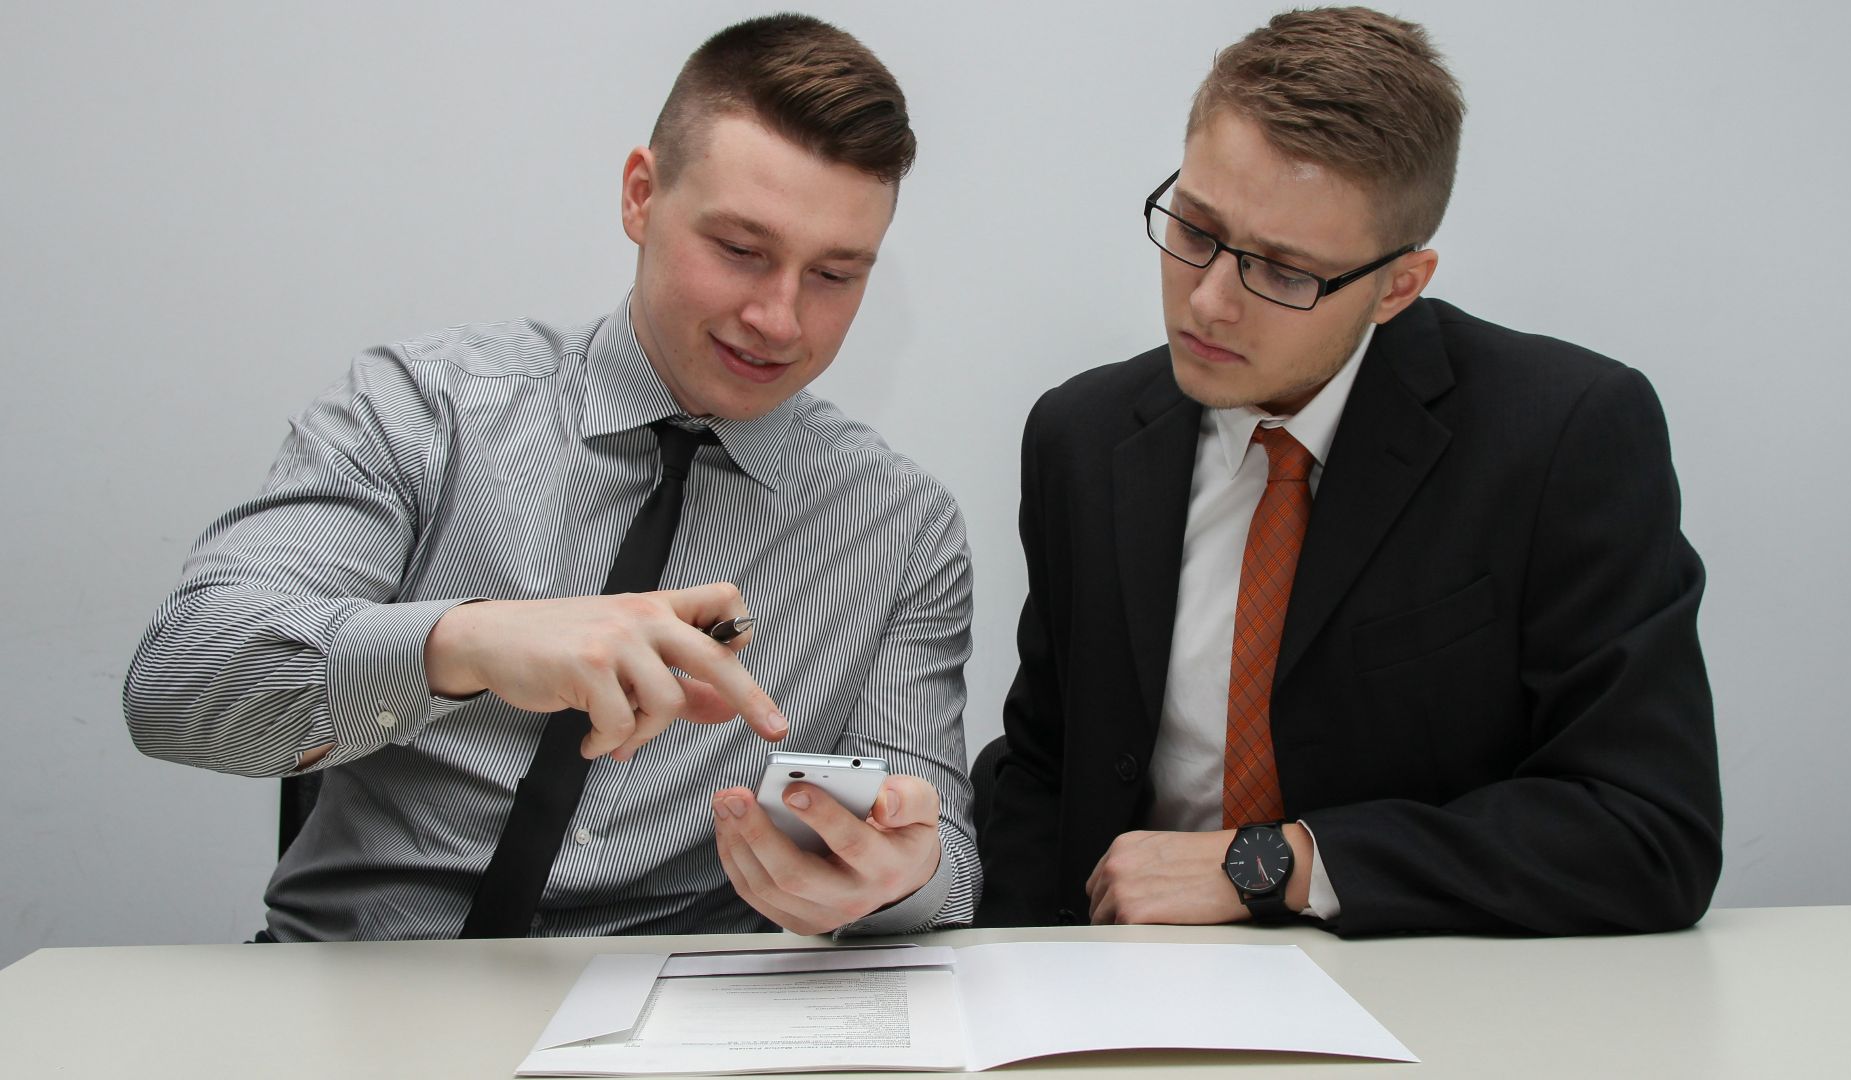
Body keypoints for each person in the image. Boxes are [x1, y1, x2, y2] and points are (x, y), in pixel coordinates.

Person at [125, 14, 978, 941]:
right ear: (641, 196)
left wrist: (898, 877)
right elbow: (178, 685)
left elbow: (942, 857)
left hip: (677, 1019)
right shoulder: (425, 409)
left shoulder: (900, 526)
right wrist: (465, 645)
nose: (779, 318)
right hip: (360, 988)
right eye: (740, 250)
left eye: (835, 274)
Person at [978, 6, 1720, 935]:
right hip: (1127, 988)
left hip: (1424, 1000)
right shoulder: (1079, 437)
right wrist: (1005, 974)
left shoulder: (1562, 436)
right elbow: (1045, 767)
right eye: (1195, 229)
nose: (1207, 301)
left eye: (1283, 274)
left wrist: (1274, 866)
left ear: (1398, 287)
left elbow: (1650, 829)